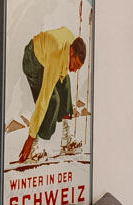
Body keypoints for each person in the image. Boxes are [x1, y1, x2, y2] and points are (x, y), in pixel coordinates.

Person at [16, 28, 87, 164]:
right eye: (75, 64)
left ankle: (66, 139)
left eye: (79, 67)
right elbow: (43, 100)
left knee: (65, 83)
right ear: (71, 52)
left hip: (47, 54)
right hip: (33, 61)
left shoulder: (71, 43)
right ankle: (34, 147)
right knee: (52, 101)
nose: (75, 69)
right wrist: (30, 139)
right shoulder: (56, 57)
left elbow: (63, 32)